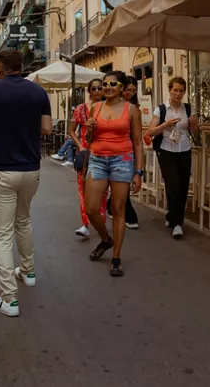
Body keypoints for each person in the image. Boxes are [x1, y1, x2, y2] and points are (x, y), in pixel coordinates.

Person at [0, 47, 52, 317]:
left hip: (3, 169)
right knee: (23, 220)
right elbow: (47, 128)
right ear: (21, 65)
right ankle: (28, 272)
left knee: (2, 233)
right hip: (31, 169)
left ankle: (9, 299)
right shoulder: (38, 92)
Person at [83, 71, 144, 277]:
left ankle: (116, 258)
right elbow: (89, 139)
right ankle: (106, 239)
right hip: (98, 159)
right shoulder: (95, 107)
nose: (107, 87)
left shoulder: (132, 110)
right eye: (105, 84)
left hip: (123, 161)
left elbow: (137, 142)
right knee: (91, 208)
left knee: (118, 209)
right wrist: (89, 128)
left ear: (121, 87)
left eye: (112, 84)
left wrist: (138, 172)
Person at [147, 76, 198, 239]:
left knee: (183, 186)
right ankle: (177, 223)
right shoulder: (161, 109)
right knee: (173, 185)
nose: (178, 93)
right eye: (175, 90)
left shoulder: (187, 108)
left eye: (181, 91)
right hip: (167, 149)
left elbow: (195, 132)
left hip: (184, 149)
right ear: (170, 90)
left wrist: (194, 124)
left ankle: (172, 217)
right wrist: (165, 125)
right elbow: (151, 131)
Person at [67, 78, 107, 238]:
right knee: (83, 189)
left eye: (99, 88)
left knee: (103, 190)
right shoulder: (81, 109)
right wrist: (80, 145)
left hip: (103, 153)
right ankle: (85, 224)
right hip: (85, 154)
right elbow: (71, 130)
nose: (97, 91)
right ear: (89, 91)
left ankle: (101, 220)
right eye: (94, 89)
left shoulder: (109, 109)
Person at [106, 77, 142, 229]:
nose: (130, 93)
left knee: (124, 181)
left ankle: (113, 205)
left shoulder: (133, 108)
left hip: (130, 149)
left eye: (134, 91)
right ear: (122, 89)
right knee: (122, 182)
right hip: (116, 150)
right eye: (128, 90)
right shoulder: (114, 106)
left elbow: (137, 136)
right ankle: (125, 211)